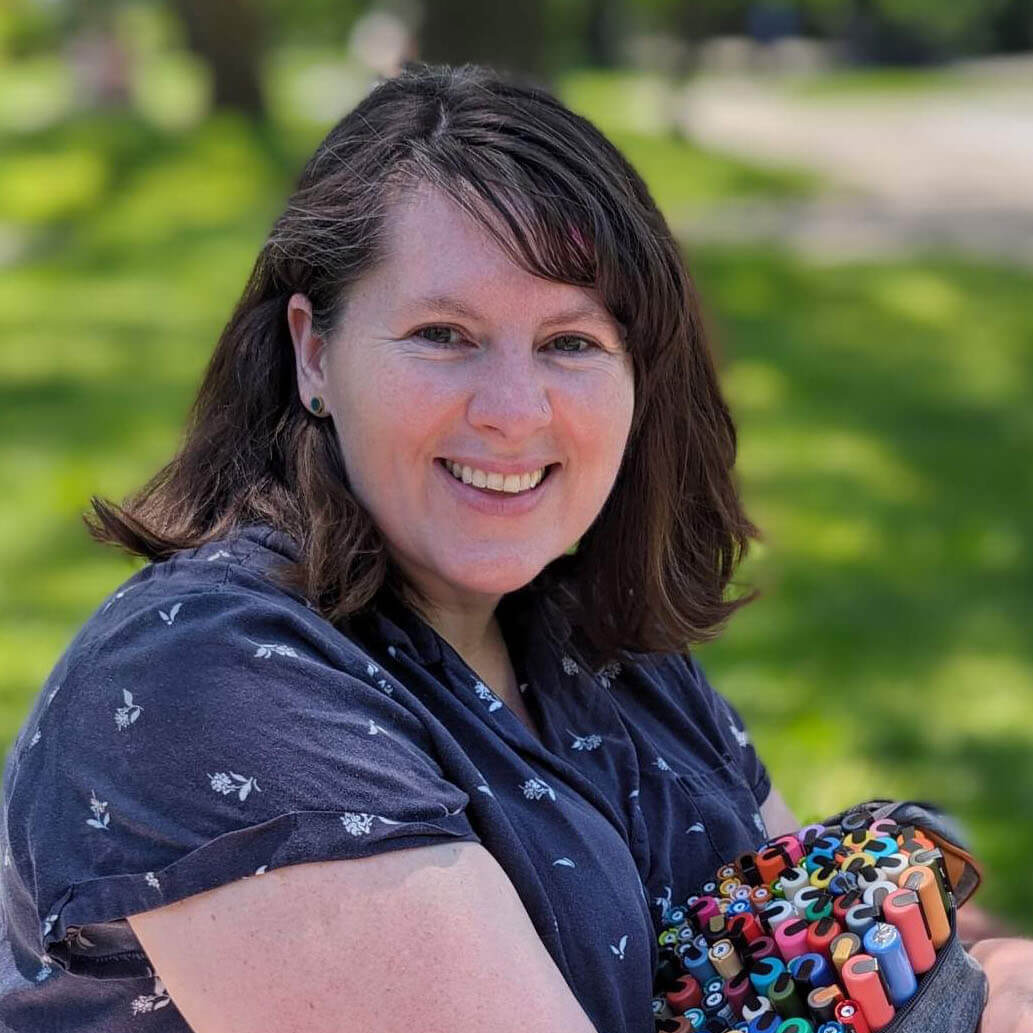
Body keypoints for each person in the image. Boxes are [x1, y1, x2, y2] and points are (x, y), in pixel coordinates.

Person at [0, 62, 1026, 1033]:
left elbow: (812, 954)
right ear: (315, 352)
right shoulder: (205, 688)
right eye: (443, 334)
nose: (510, 410)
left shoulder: (597, 647)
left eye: (569, 343)